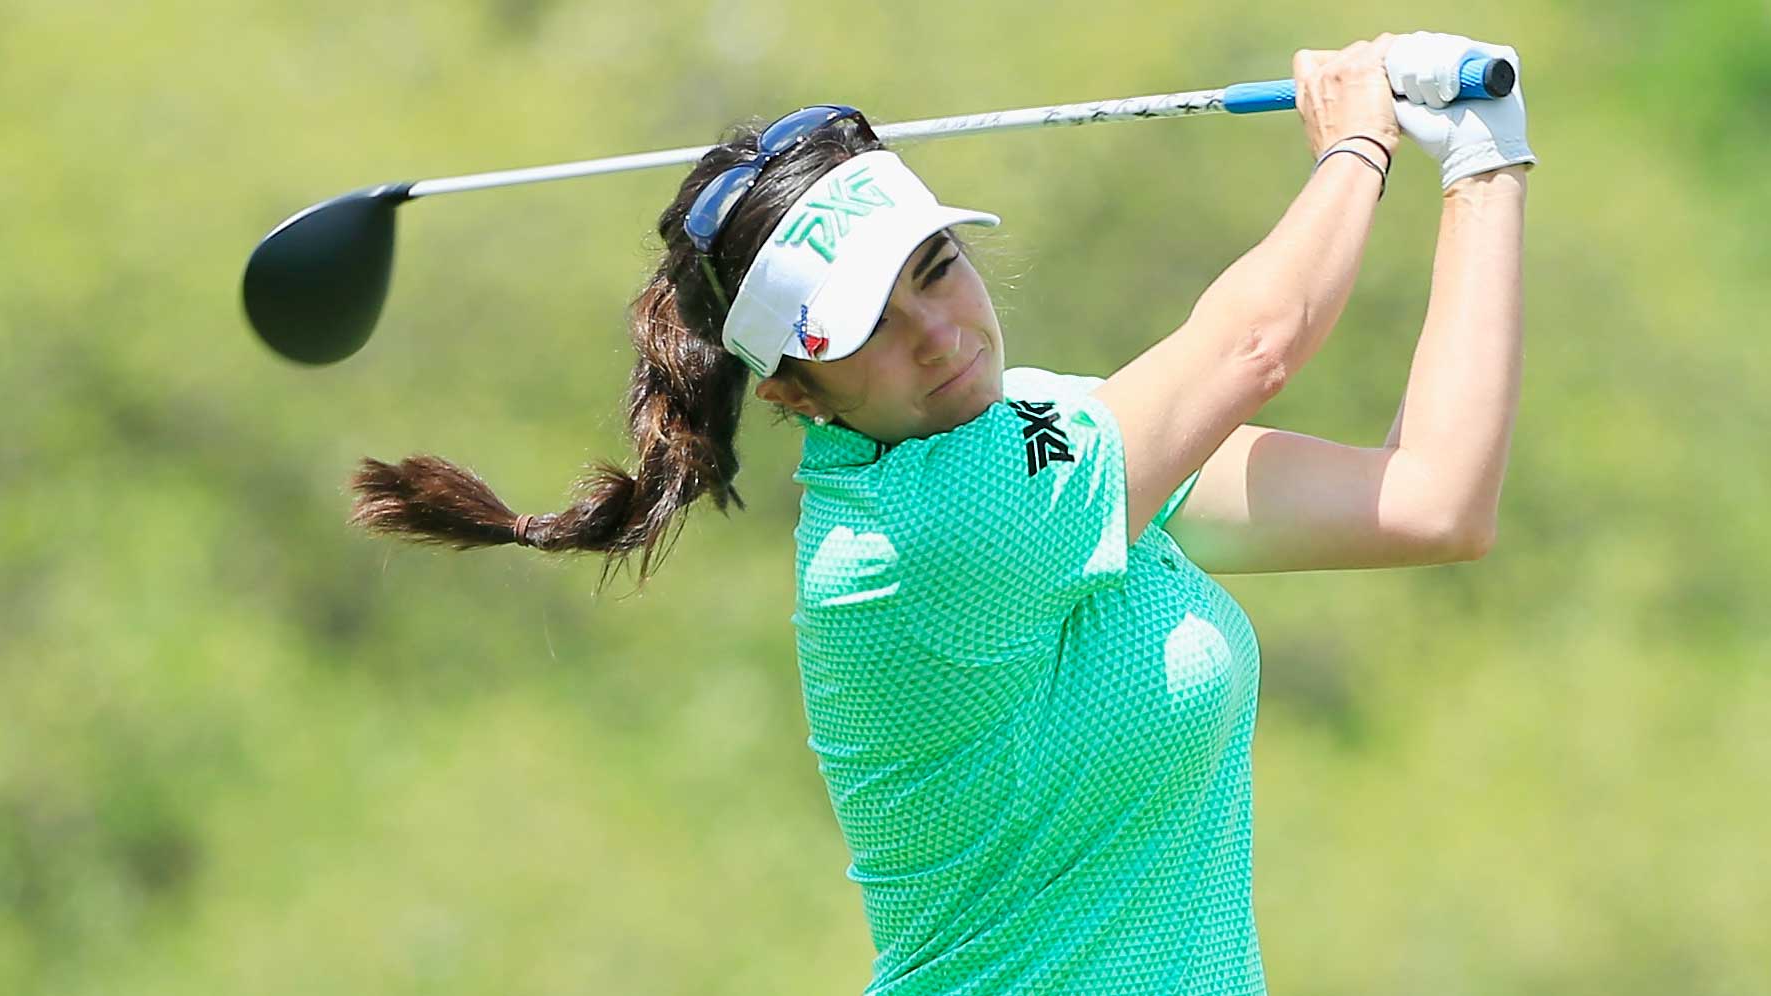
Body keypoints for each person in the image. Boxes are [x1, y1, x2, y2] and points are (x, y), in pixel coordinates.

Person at [348, 29, 1533, 996]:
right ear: (792, 391)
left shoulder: (1049, 434)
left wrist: (1482, 163)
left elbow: (1432, 501)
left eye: (933, 268)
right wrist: (1358, 143)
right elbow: (1255, 345)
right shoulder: (918, 540)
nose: (941, 334)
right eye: (867, 328)